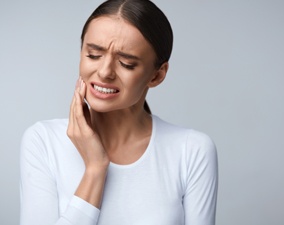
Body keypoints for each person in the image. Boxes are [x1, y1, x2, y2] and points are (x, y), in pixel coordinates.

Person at [20, 0, 218, 224]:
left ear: (157, 75)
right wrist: (95, 170)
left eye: (126, 63)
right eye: (93, 55)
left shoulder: (192, 151)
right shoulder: (43, 141)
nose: (104, 72)